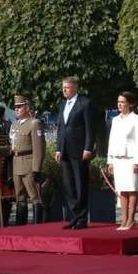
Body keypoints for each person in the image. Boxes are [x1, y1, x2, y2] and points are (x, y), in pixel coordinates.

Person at [56, 76, 95, 230]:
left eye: (66, 87)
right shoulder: (62, 104)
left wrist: (88, 148)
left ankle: (82, 218)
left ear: (74, 88)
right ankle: (75, 215)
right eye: (63, 87)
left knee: (80, 184)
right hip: (65, 149)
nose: (64, 90)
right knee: (68, 185)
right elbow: (60, 128)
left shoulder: (84, 103)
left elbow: (89, 128)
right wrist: (58, 148)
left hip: (79, 150)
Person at [107, 91, 138, 231]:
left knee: (132, 188)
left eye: (123, 102)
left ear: (130, 103)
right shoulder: (115, 120)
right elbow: (111, 140)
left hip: (130, 159)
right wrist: (110, 160)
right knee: (121, 190)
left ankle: (131, 219)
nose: (120, 104)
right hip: (118, 158)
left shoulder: (137, 119)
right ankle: (123, 219)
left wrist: (137, 161)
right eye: (118, 102)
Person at [10, 96, 46, 226]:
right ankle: (20, 226)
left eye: (19, 106)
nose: (17, 109)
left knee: (35, 197)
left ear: (26, 107)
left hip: (29, 163)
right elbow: (12, 146)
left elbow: (39, 148)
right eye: (15, 107)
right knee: (20, 197)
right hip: (16, 163)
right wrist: (0, 149)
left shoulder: (34, 123)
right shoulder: (14, 125)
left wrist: (37, 168)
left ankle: (37, 227)